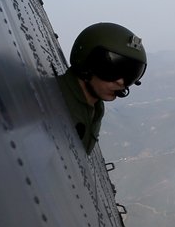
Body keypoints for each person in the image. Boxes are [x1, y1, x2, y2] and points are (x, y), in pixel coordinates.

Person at [56, 22, 147, 153]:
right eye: (112, 69)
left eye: (130, 74)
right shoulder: (51, 101)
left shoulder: (95, 108)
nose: (121, 82)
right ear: (86, 66)